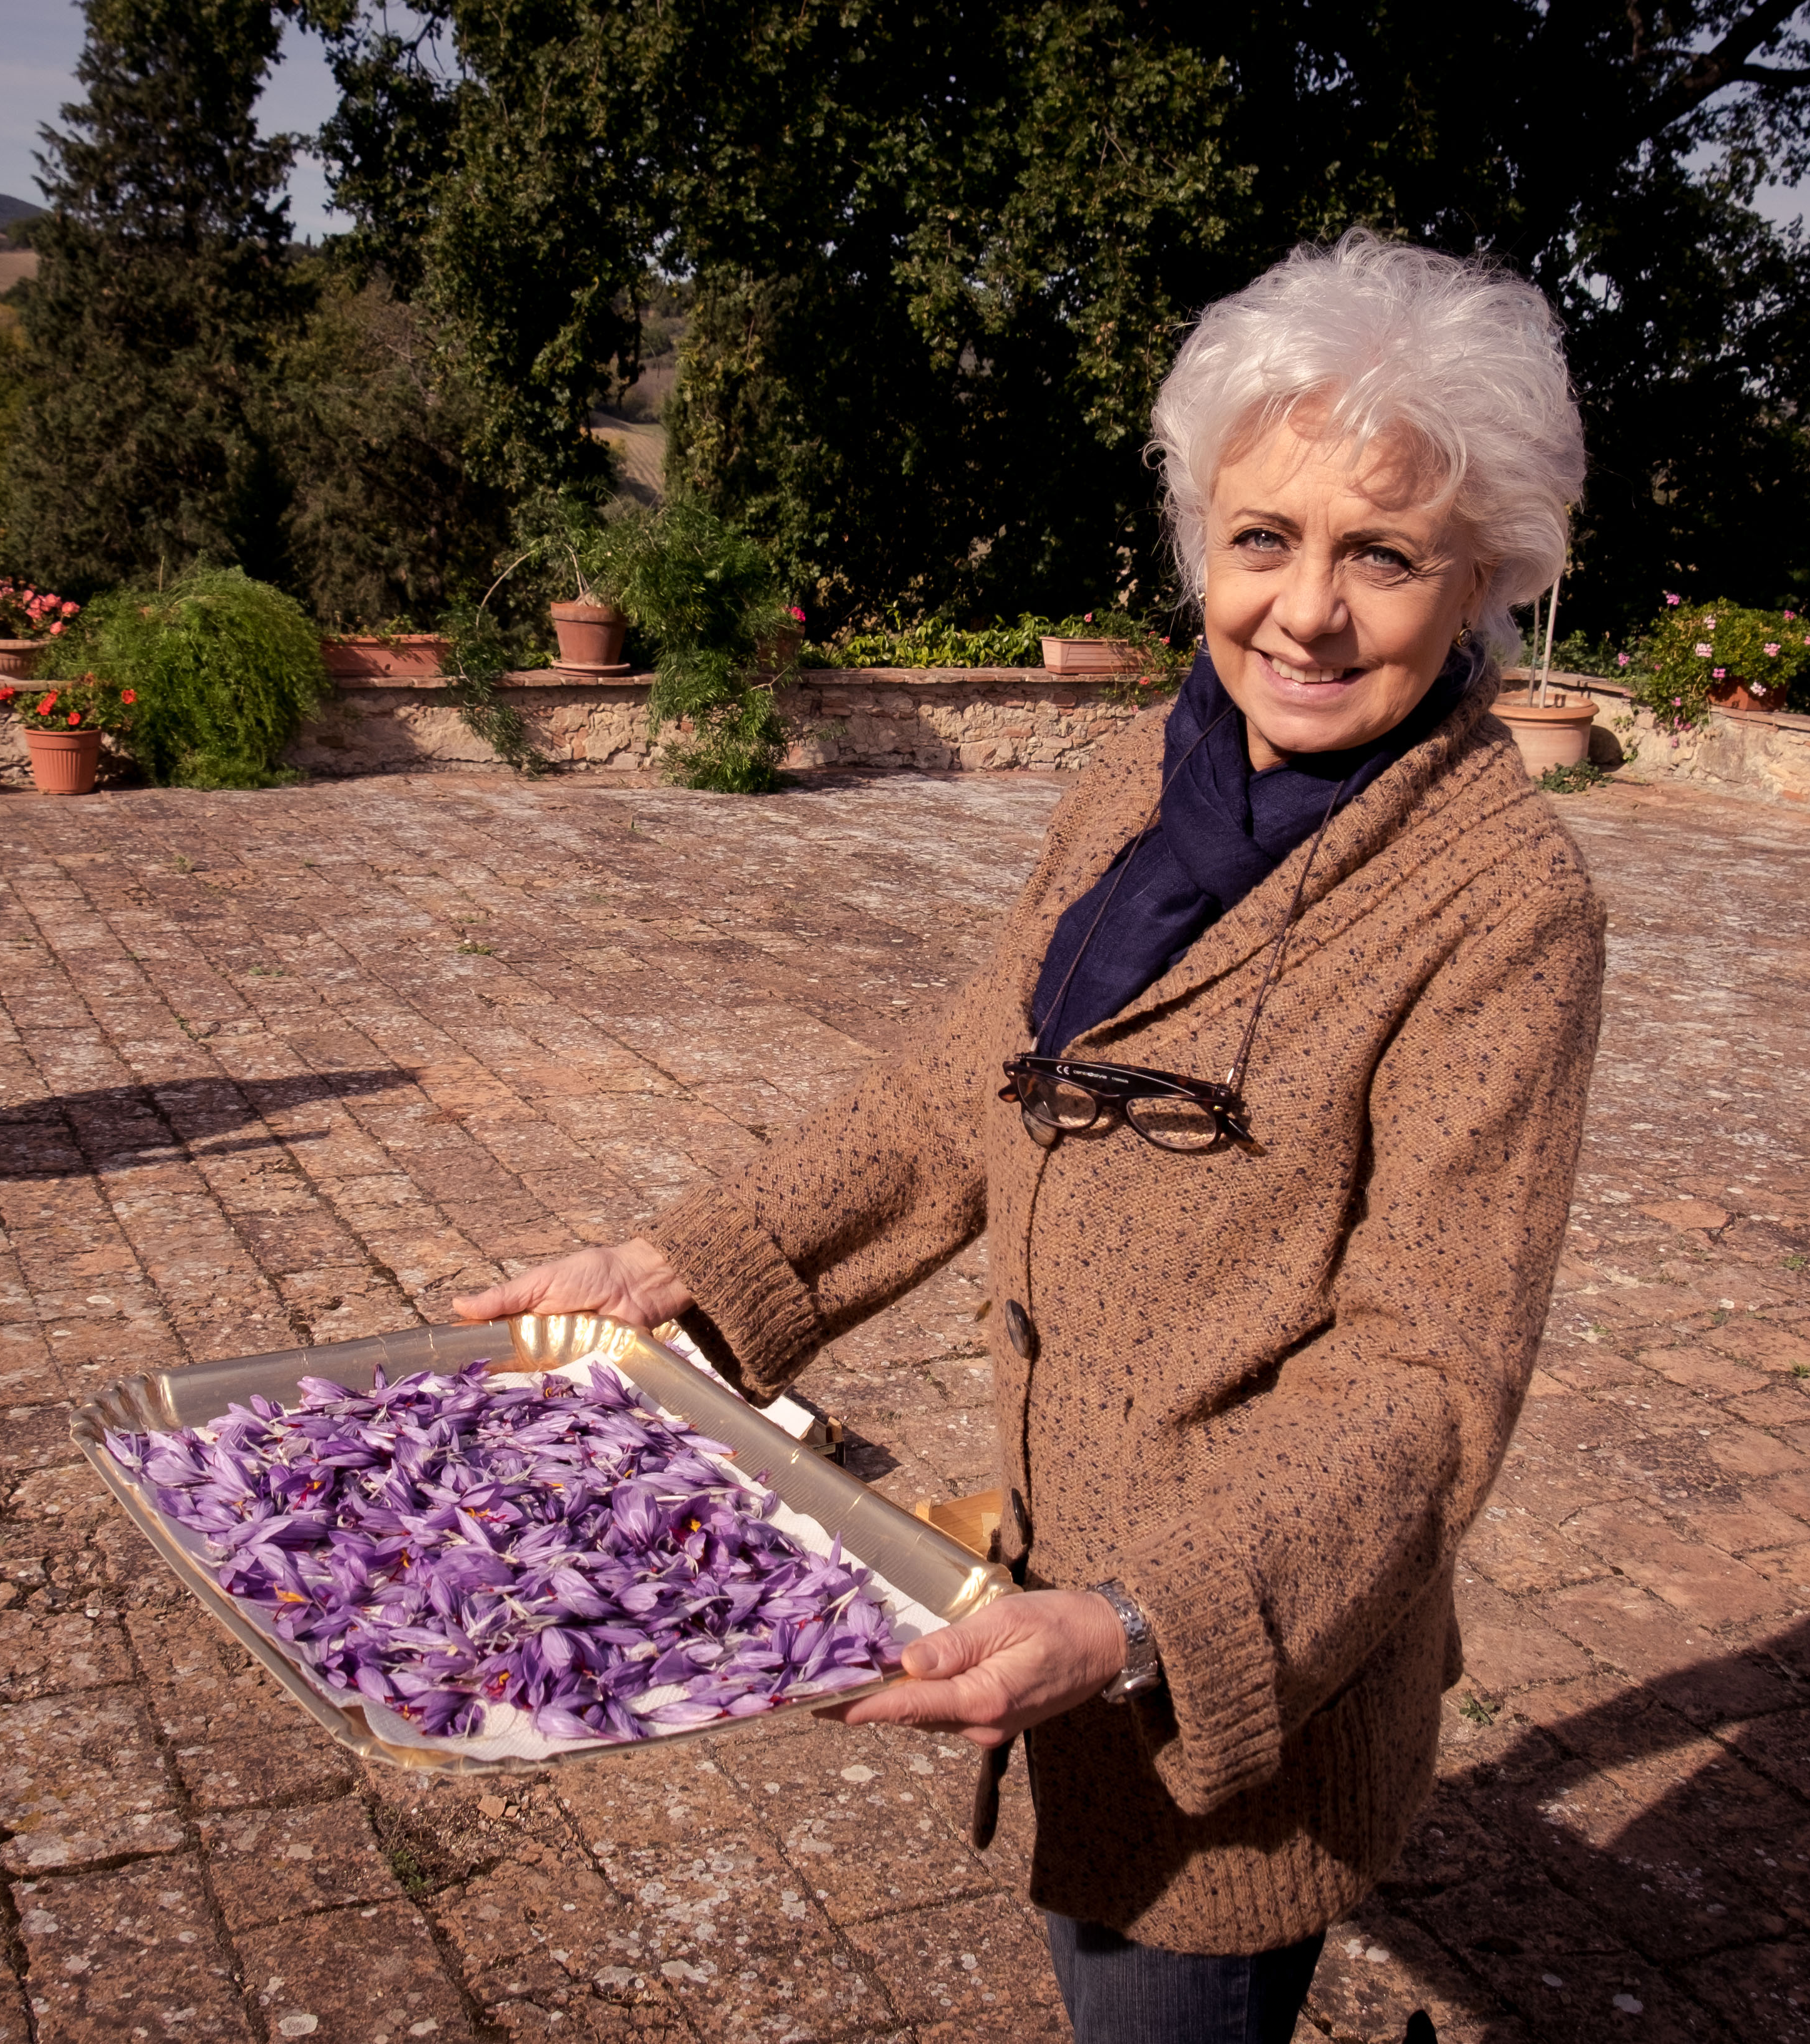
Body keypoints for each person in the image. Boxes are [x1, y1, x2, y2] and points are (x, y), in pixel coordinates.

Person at [456, 229, 1605, 2044]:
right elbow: (961, 1087)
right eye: (1263, 539)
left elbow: (1431, 1372)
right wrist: (686, 1273)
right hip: (1056, 1597)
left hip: (1238, 1676)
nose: (1304, 612)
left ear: (1481, 583)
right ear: (1199, 543)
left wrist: (1151, 1621)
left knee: (1161, 2005)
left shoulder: (1499, 904)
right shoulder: (1146, 779)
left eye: (1380, 556)